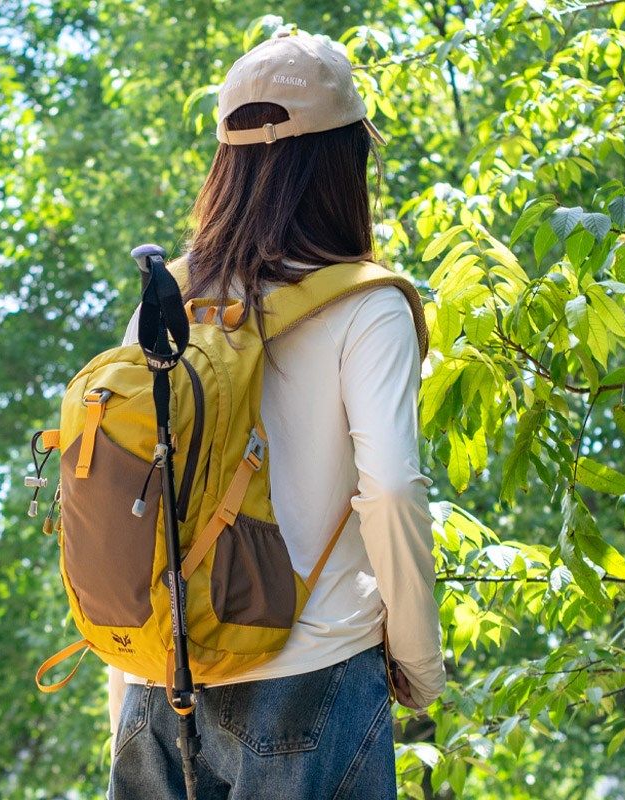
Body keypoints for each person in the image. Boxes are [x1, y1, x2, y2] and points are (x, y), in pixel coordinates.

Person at [107, 27, 446, 800]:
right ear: (345, 159)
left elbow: (131, 509)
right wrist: (420, 667)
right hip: (312, 677)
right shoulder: (367, 303)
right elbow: (392, 489)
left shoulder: (167, 299)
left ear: (225, 163)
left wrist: (127, 691)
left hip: (160, 681)